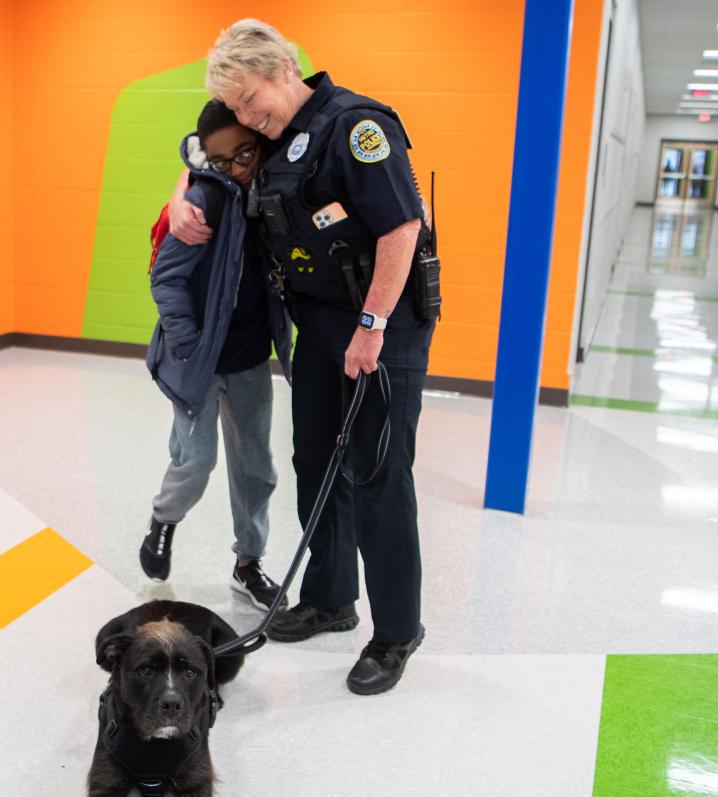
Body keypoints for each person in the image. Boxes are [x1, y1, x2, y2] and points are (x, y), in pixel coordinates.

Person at [170, 19, 436, 695]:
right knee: (317, 461)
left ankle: (397, 631)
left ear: (284, 69)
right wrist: (179, 198)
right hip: (318, 328)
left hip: (380, 324)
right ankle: (330, 597)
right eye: (236, 107)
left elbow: (403, 228)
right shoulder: (272, 132)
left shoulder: (356, 127)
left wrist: (372, 326)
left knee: (378, 473)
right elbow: (204, 152)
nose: (245, 116)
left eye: (251, 99)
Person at [141, 99, 294, 612]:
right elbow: (166, 277)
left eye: (244, 155)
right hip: (198, 362)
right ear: (206, 159)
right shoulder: (204, 202)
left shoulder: (275, 193)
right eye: (221, 160)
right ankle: (164, 519)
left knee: (256, 470)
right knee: (198, 459)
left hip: (250, 358)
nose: (236, 169)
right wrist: (187, 345)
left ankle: (248, 565)